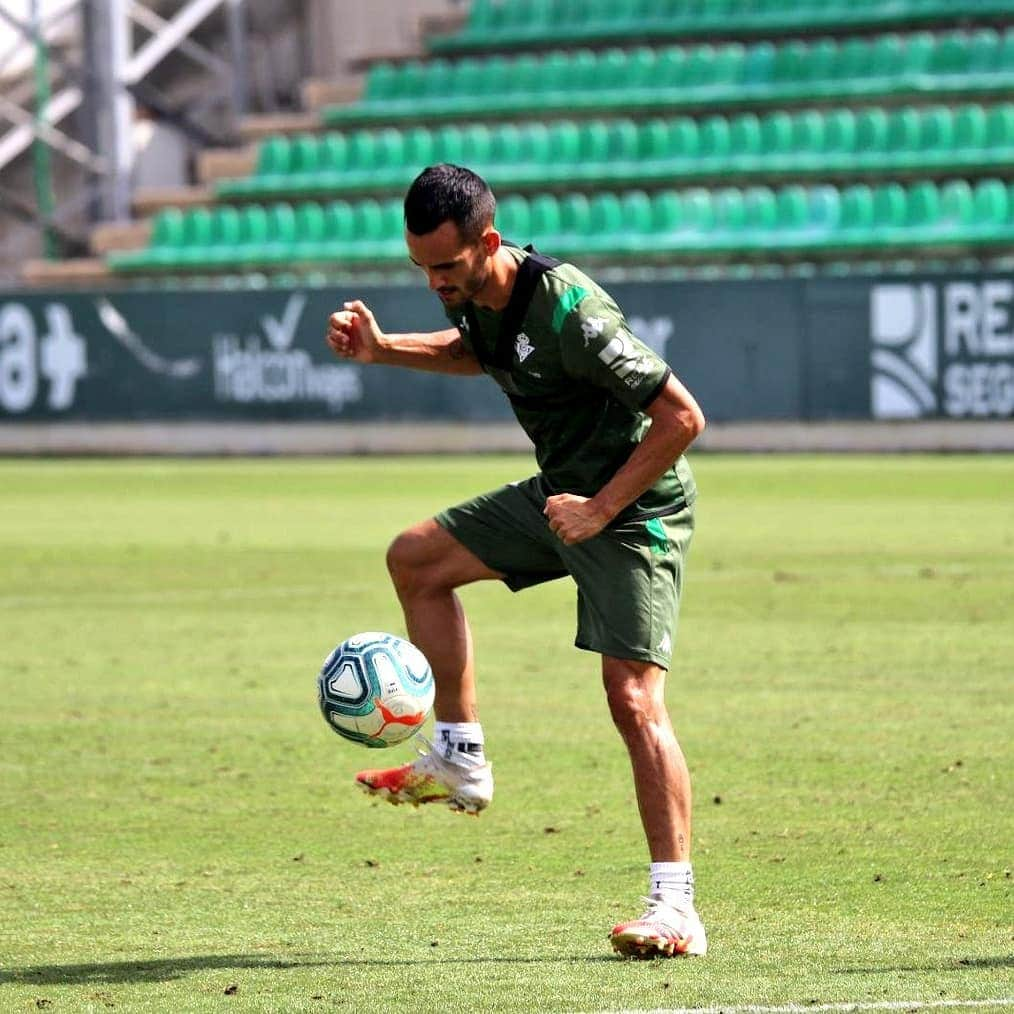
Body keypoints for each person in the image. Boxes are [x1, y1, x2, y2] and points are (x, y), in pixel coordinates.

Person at [325, 164, 707, 959]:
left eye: (447, 268)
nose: (434, 282)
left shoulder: (570, 308)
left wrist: (601, 508)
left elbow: (682, 416)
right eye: (421, 268)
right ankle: (460, 758)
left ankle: (675, 908)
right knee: (417, 559)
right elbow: (477, 353)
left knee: (632, 698)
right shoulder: (481, 302)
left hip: (635, 512)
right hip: (563, 496)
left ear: (488, 244)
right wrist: (385, 347)